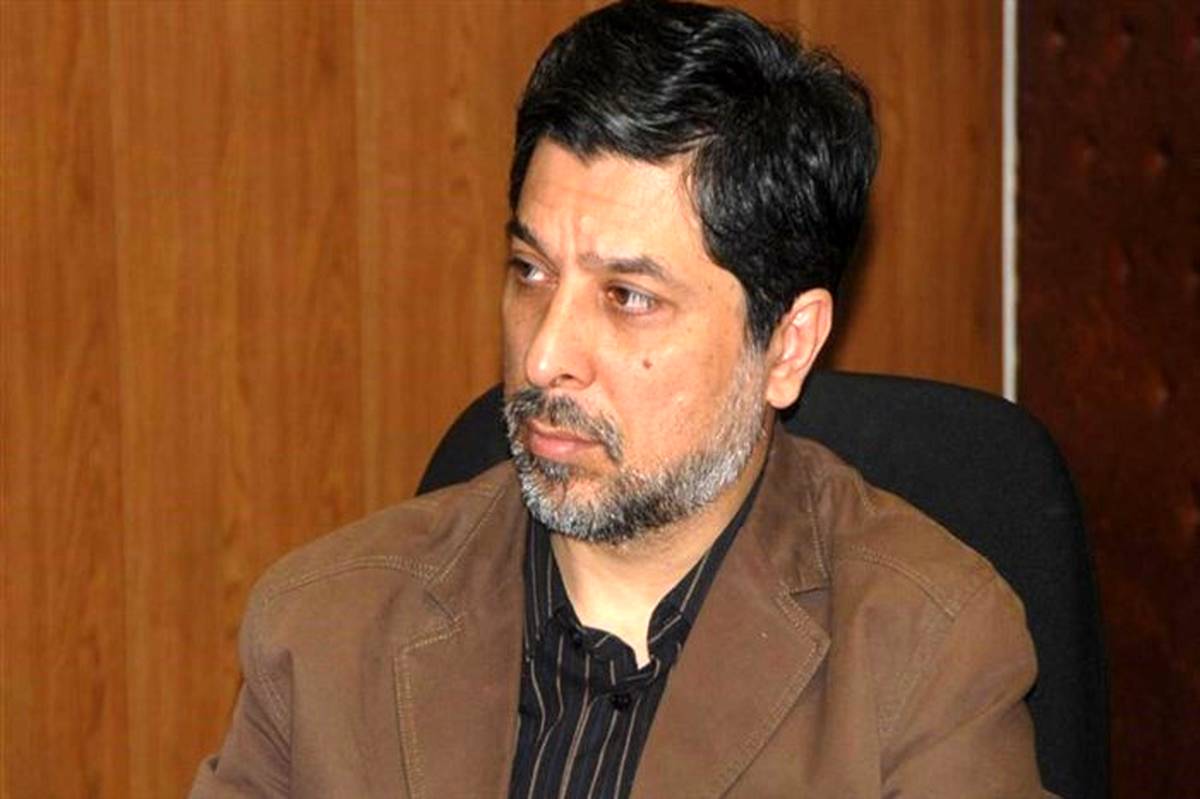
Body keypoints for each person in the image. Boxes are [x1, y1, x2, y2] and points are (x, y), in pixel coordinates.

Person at [192, 1, 1049, 796]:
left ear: (788, 344)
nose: (544, 355)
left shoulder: (923, 656)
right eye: (531, 272)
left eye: (628, 296)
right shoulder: (323, 631)